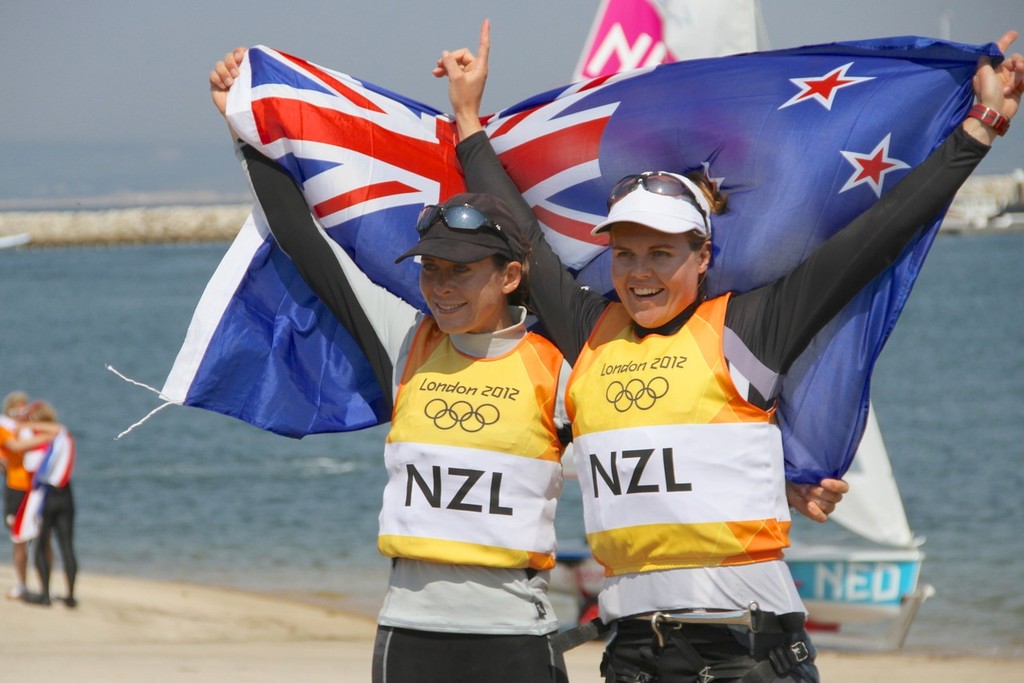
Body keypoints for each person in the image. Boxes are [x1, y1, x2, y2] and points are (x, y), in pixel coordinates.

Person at [444, 22, 1023, 683]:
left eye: (662, 252)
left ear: (703, 254)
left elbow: (878, 234)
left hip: (752, 655)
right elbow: (517, 232)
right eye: (625, 253)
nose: (639, 272)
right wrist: (467, 117)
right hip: (636, 657)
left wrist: (979, 130)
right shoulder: (589, 330)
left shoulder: (750, 326)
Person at [211, 50, 573, 683]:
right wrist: (248, 127)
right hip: (408, 634)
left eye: (461, 270)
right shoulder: (406, 342)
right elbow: (307, 240)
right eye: (432, 267)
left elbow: (657, 431)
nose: (442, 286)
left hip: (516, 636)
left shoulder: (562, 367)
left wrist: (795, 467)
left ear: (511, 276)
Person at [0, 391, 61, 601]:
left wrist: (35, 430)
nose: (19, 414)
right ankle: (22, 584)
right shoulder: (4, 429)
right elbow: (16, 447)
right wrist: (43, 437)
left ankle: (47, 586)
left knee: (44, 539)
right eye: (15, 410)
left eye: (23, 410)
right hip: (15, 490)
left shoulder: (32, 429)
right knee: (19, 539)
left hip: (37, 489)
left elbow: (57, 432)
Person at [20, 400, 78, 608]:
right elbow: (60, 429)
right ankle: (70, 596)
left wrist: (25, 427)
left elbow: (30, 465)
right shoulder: (64, 439)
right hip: (65, 495)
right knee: (66, 545)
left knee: (41, 545)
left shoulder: (49, 439)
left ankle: (45, 594)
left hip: (46, 496)